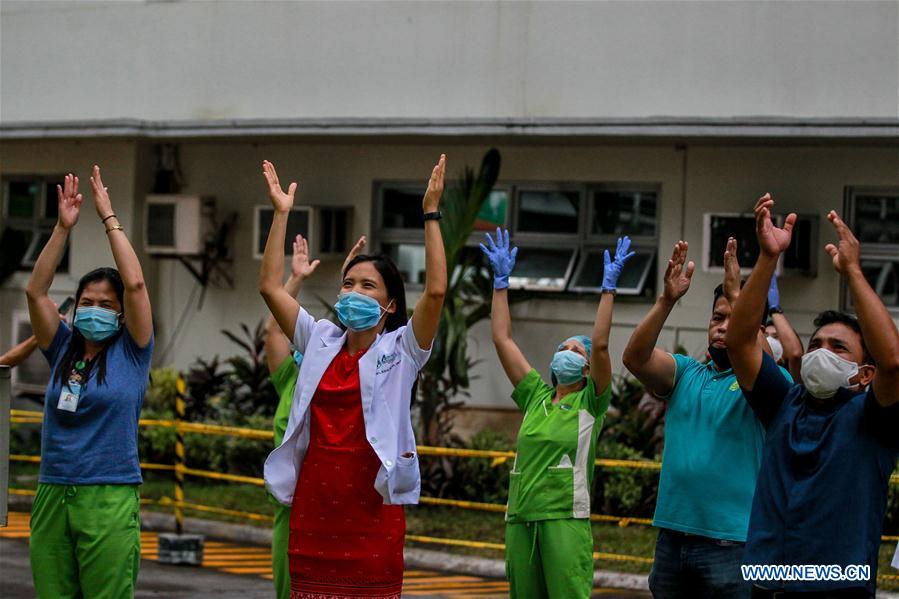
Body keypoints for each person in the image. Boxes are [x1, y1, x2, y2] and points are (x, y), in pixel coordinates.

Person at [260, 156, 447, 599]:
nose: (353, 292)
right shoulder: (320, 337)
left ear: (390, 305)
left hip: (372, 513)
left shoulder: (401, 350)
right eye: (348, 284)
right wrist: (281, 214)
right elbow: (269, 288)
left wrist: (431, 213)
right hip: (315, 509)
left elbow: (436, 290)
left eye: (368, 286)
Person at [725, 195, 899, 598]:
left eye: (839, 348)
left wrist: (853, 271)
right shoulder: (785, 401)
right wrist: (768, 258)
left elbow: (892, 361)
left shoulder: (874, 418)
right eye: (817, 343)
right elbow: (738, 341)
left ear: (864, 373)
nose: (822, 352)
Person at [622, 238, 791, 598]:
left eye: (736, 318)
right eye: (718, 317)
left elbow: (761, 371)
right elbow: (635, 358)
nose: (723, 326)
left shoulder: (770, 384)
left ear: (755, 327)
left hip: (734, 545)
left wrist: (740, 303)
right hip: (672, 541)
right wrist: (667, 300)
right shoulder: (686, 373)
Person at [25, 167, 153, 599]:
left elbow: (135, 284)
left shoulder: (133, 351)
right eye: (86, 302)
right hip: (52, 491)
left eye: (105, 304)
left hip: (109, 496)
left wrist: (109, 219)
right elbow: (36, 293)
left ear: (120, 315)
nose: (94, 310)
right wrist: (63, 228)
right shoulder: (61, 347)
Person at [482, 229, 631, 598]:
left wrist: (608, 290)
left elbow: (599, 343)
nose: (566, 352)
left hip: (564, 520)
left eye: (574, 351)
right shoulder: (536, 396)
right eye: (561, 347)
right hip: (520, 519)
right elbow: (502, 338)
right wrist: (500, 284)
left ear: (586, 368)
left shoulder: (590, 403)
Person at [264, 233, 366, 599]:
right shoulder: (291, 377)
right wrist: (296, 279)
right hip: (293, 506)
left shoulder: (349, 373)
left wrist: (348, 282)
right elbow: (274, 329)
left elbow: (352, 336)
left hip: (339, 500)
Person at [763, 272, 803, 381]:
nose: (769, 340)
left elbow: (795, 354)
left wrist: (774, 310)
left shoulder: (791, 377)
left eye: (776, 337)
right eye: (765, 335)